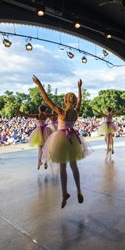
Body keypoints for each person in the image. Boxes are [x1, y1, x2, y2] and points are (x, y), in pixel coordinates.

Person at [32, 76, 88, 209]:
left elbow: (46, 99)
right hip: (72, 138)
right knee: (74, 165)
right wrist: (79, 88)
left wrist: (39, 84)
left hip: (61, 138)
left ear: (65, 100)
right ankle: (79, 190)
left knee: (62, 167)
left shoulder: (61, 112)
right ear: (73, 101)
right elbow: (80, 101)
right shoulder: (76, 112)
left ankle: (64, 194)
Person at [16, 105, 56, 170]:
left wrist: (20, 112)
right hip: (46, 131)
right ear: (44, 110)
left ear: (39, 109)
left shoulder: (37, 115)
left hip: (39, 132)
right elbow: (54, 114)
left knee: (40, 149)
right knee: (47, 148)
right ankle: (46, 161)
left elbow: (27, 115)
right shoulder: (46, 115)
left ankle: (39, 162)